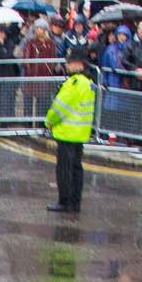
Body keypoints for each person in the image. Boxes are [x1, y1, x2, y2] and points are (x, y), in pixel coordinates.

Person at [44, 48, 94, 214]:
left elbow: (60, 107)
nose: (67, 65)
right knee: (76, 169)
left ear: (79, 64)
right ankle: (75, 202)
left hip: (67, 133)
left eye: (70, 62)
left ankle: (64, 202)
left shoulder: (73, 84)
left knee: (64, 170)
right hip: (80, 133)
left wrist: (48, 121)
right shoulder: (88, 83)